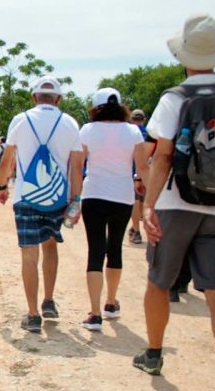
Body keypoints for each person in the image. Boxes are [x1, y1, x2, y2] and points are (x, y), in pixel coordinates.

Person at [134, 14, 215, 391]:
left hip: (177, 203)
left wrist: (148, 205)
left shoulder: (175, 97)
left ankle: (154, 355)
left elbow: (164, 156)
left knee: (159, 282)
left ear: (184, 54)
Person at [0, 74, 84, 334]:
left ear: (34, 97)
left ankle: (32, 314)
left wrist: (2, 187)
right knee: (50, 248)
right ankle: (48, 301)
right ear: (58, 98)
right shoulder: (69, 123)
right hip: (57, 198)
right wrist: (76, 201)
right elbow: (77, 166)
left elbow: (7, 160)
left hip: (26, 197)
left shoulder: (21, 120)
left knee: (29, 254)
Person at [79, 88, 149, 331]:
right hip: (122, 196)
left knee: (95, 250)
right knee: (115, 248)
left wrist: (73, 197)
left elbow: (78, 165)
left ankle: (95, 313)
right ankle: (111, 302)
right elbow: (142, 167)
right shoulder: (133, 131)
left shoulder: (87, 130)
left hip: (93, 194)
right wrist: (150, 203)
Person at [128, 109, 149, 244]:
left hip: (131, 172)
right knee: (141, 201)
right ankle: (134, 227)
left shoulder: (129, 133)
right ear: (143, 119)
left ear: (131, 119)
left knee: (135, 202)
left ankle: (136, 231)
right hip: (146, 173)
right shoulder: (149, 133)